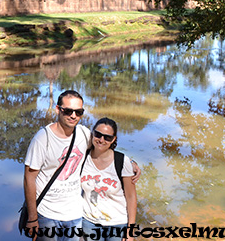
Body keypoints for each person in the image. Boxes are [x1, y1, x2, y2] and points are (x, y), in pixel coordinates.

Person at [23, 91, 140, 240]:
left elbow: (103, 147)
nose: (73, 116)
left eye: (78, 112)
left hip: (75, 214)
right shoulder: (42, 139)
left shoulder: (84, 134)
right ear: (58, 109)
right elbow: (29, 178)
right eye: (68, 111)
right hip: (47, 214)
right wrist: (32, 218)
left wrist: (130, 163)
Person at [80, 117, 137, 241]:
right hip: (89, 222)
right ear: (93, 133)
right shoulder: (83, 157)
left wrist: (130, 232)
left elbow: (131, 197)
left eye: (107, 137)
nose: (101, 140)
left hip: (116, 224)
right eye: (98, 135)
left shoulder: (122, 162)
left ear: (114, 139)